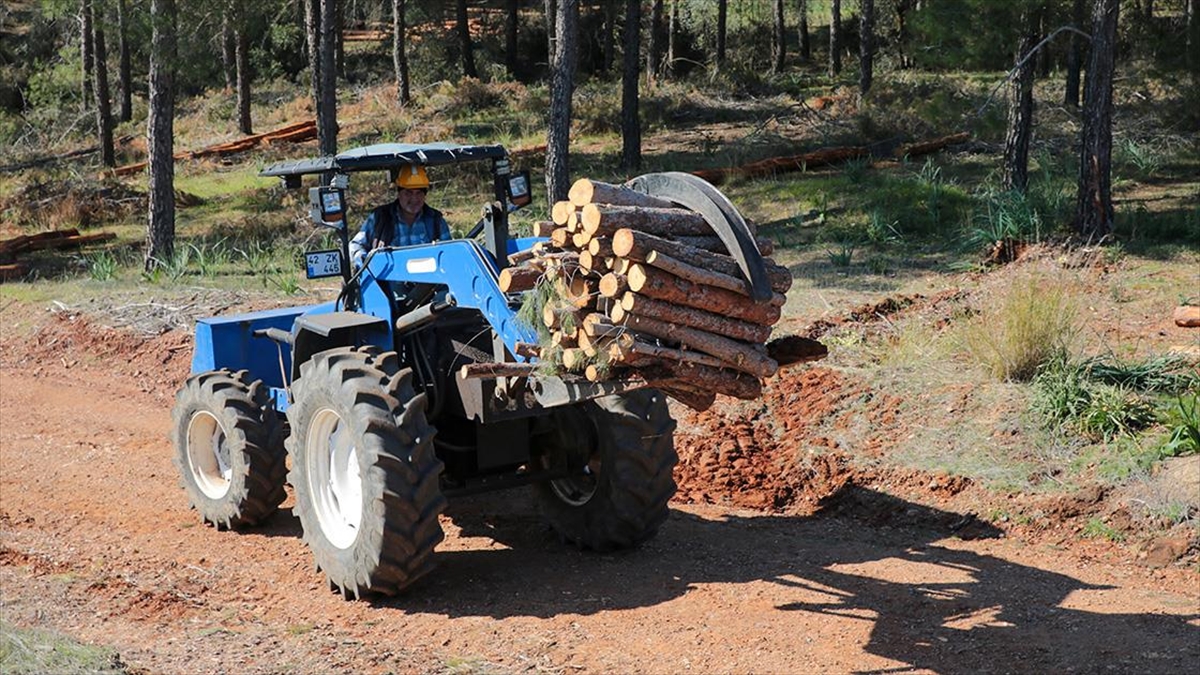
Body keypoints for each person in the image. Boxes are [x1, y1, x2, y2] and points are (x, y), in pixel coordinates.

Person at [349, 164, 451, 268]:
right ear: (399, 193)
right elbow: (356, 245)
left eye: (419, 193)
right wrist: (363, 260)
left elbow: (449, 254)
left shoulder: (436, 220)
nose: (414, 199)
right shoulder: (380, 217)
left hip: (431, 281)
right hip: (386, 282)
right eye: (408, 193)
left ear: (425, 195)